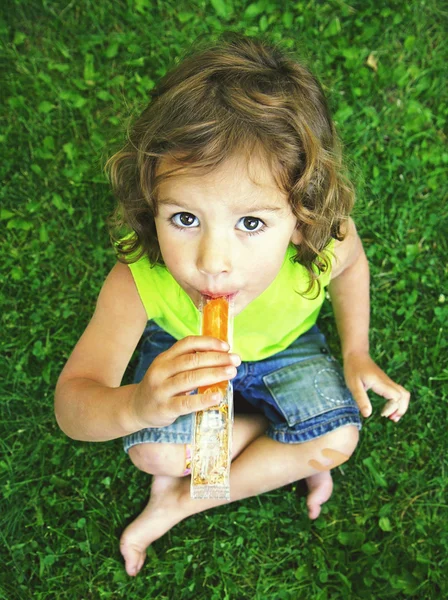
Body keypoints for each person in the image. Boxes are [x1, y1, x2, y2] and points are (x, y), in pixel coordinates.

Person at [54, 33, 410, 577]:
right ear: (151, 202)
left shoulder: (323, 241)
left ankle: (182, 501)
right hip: (184, 354)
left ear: (301, 216)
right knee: (153, 454)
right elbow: (73, 403)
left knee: (340, 437)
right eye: (184, 219)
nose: (213, 262)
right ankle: (275, 449)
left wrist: (355, 350)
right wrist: (137, 407)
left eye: (251, 223)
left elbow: (353, 268)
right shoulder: (138, 276)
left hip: (287, 350)